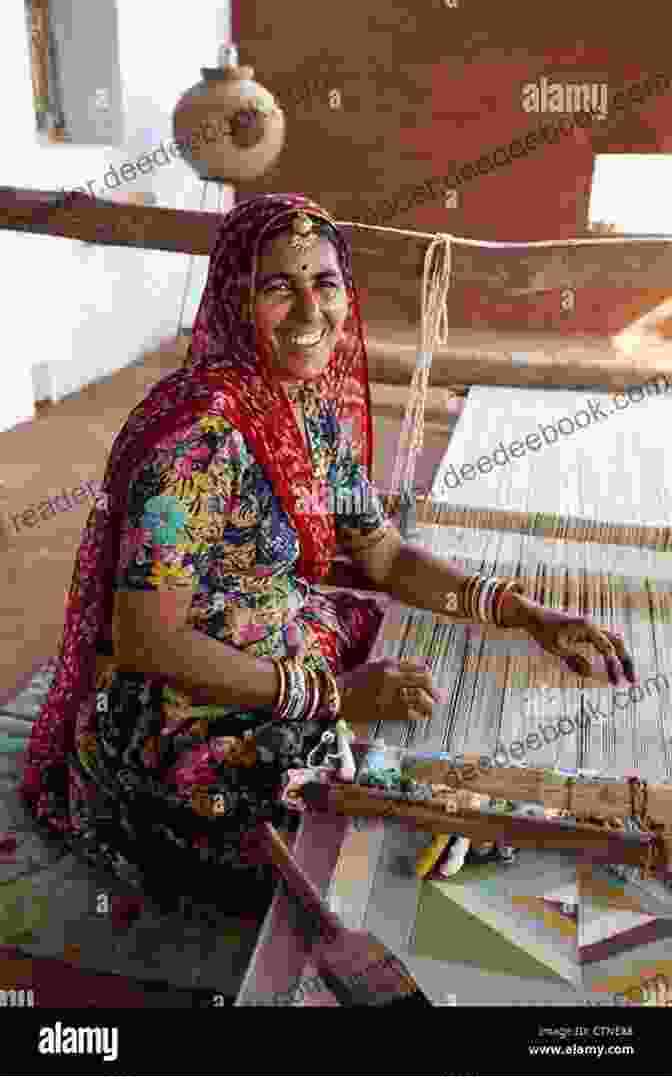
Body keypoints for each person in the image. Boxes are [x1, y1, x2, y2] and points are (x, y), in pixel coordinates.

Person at [20, 193, 637, 918]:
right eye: (279, 286)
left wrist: (523, 613)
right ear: (233, 299)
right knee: (348, 833)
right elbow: (146, 637)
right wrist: (331, 695)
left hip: (282, 642)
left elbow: (382, 555)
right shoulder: (197, 440)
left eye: (327, 283)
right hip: (183, 707)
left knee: (424, 715)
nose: (312, 313)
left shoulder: (304, 409)